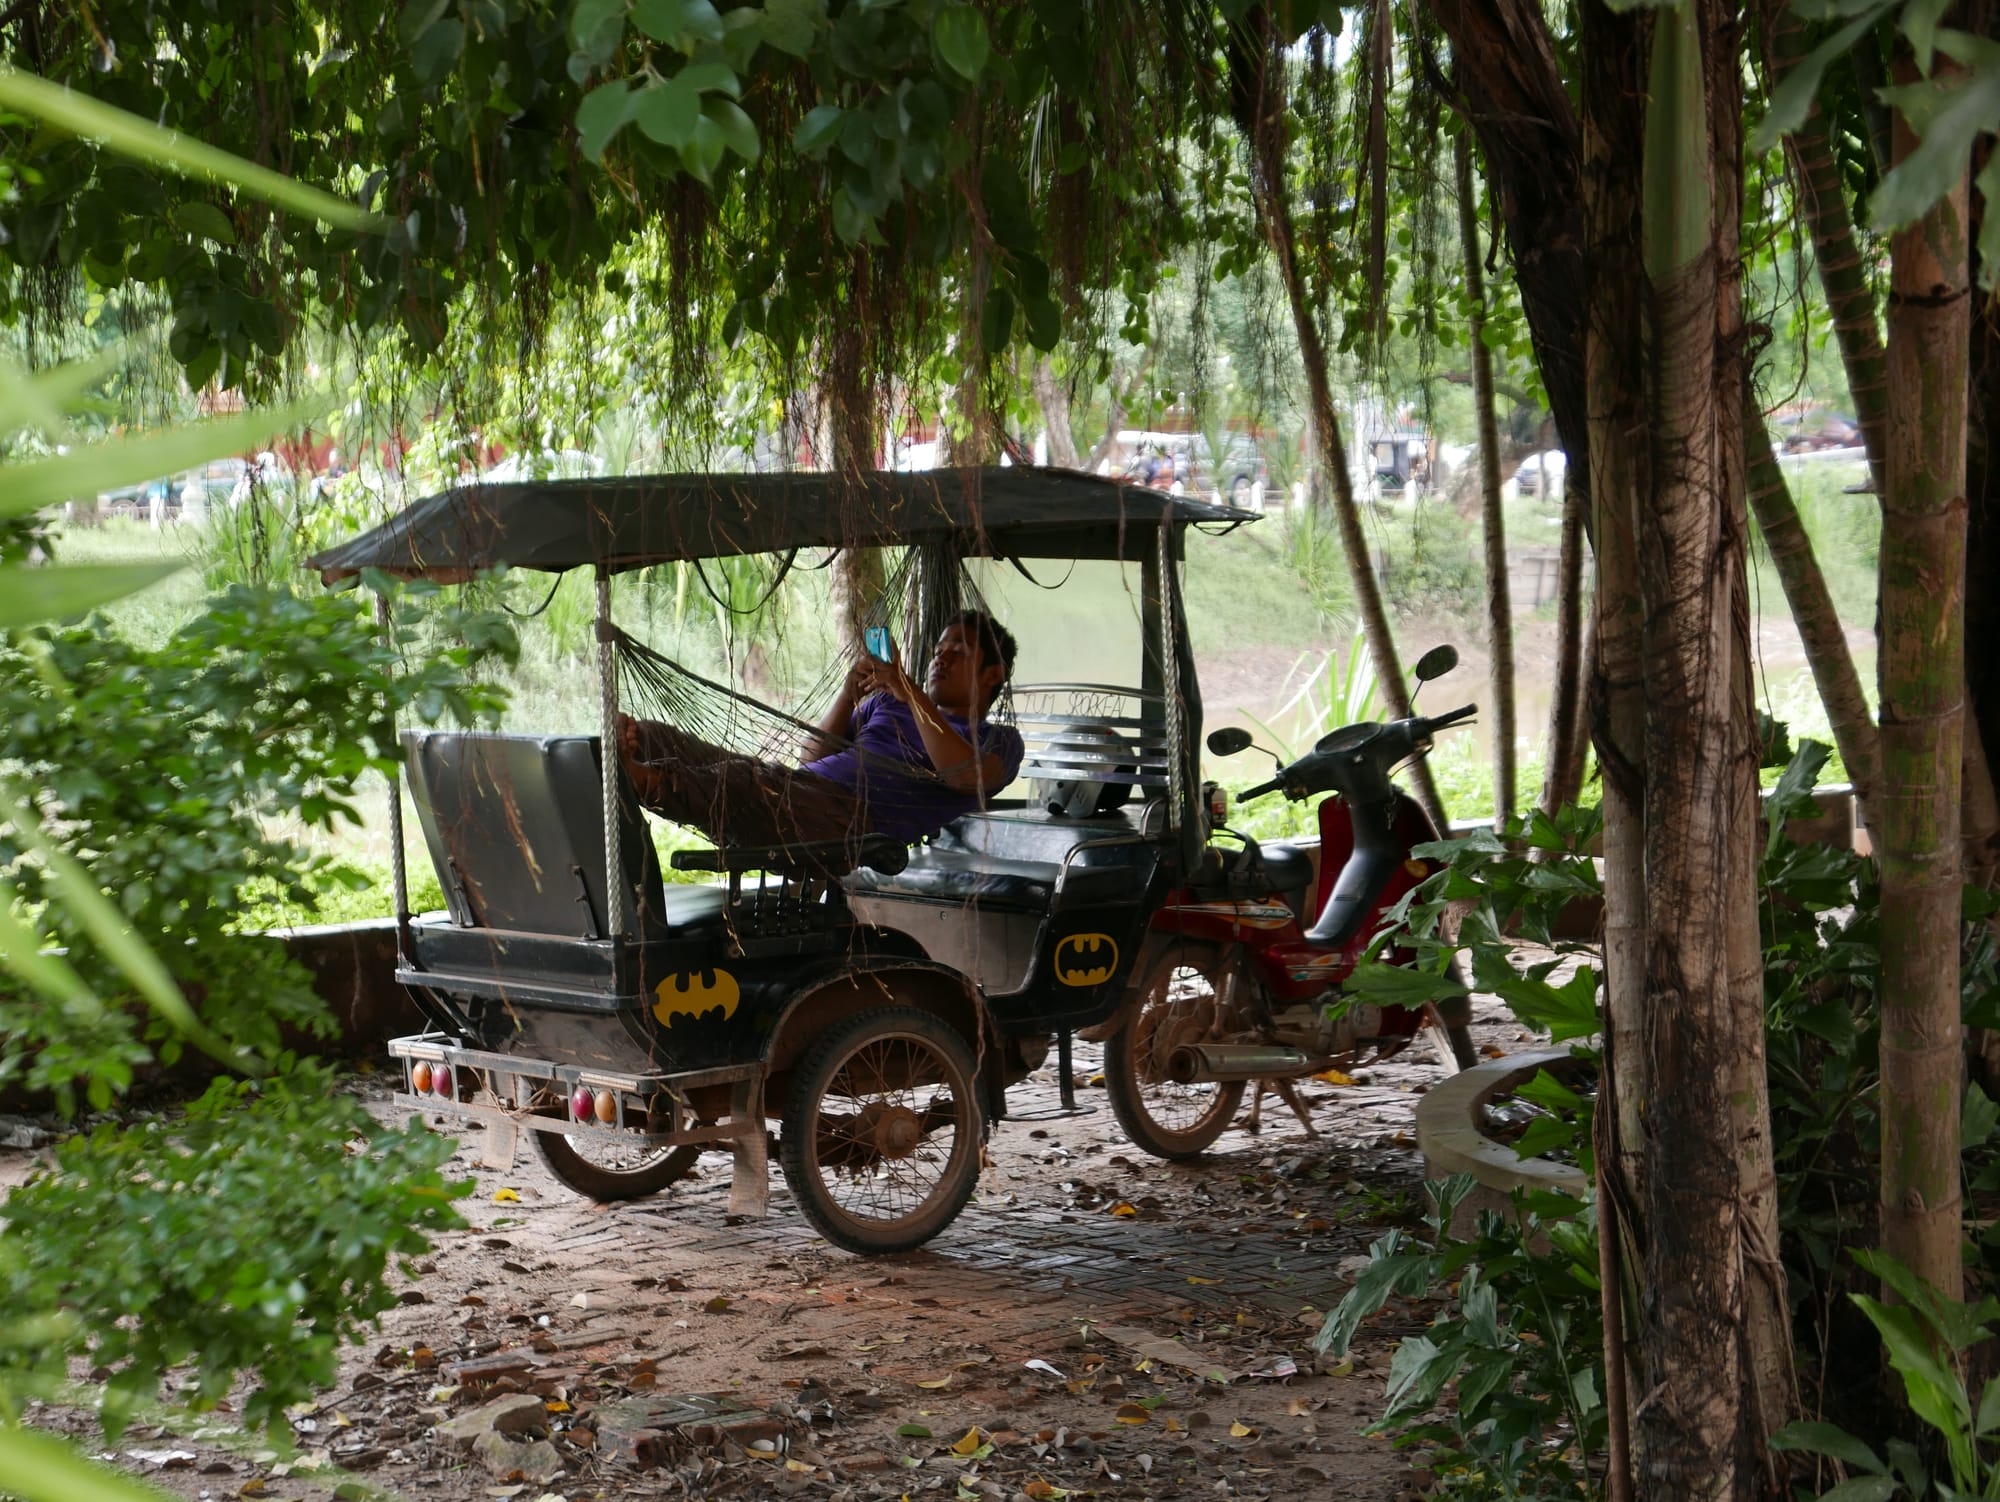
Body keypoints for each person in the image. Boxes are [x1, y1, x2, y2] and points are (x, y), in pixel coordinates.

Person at [618, 610, 1024, 850]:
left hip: (848, 824)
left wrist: (911, 691)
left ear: (993, 673)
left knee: (737, 780)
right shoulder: (886, 702)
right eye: (938, 651)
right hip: (792, 788)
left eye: (959, 651)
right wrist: (849, 695)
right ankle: (613, 760)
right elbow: (811, 757)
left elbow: (962, 775)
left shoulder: (999, 742)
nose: (942, 659)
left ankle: (638, 779)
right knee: (658, 737)